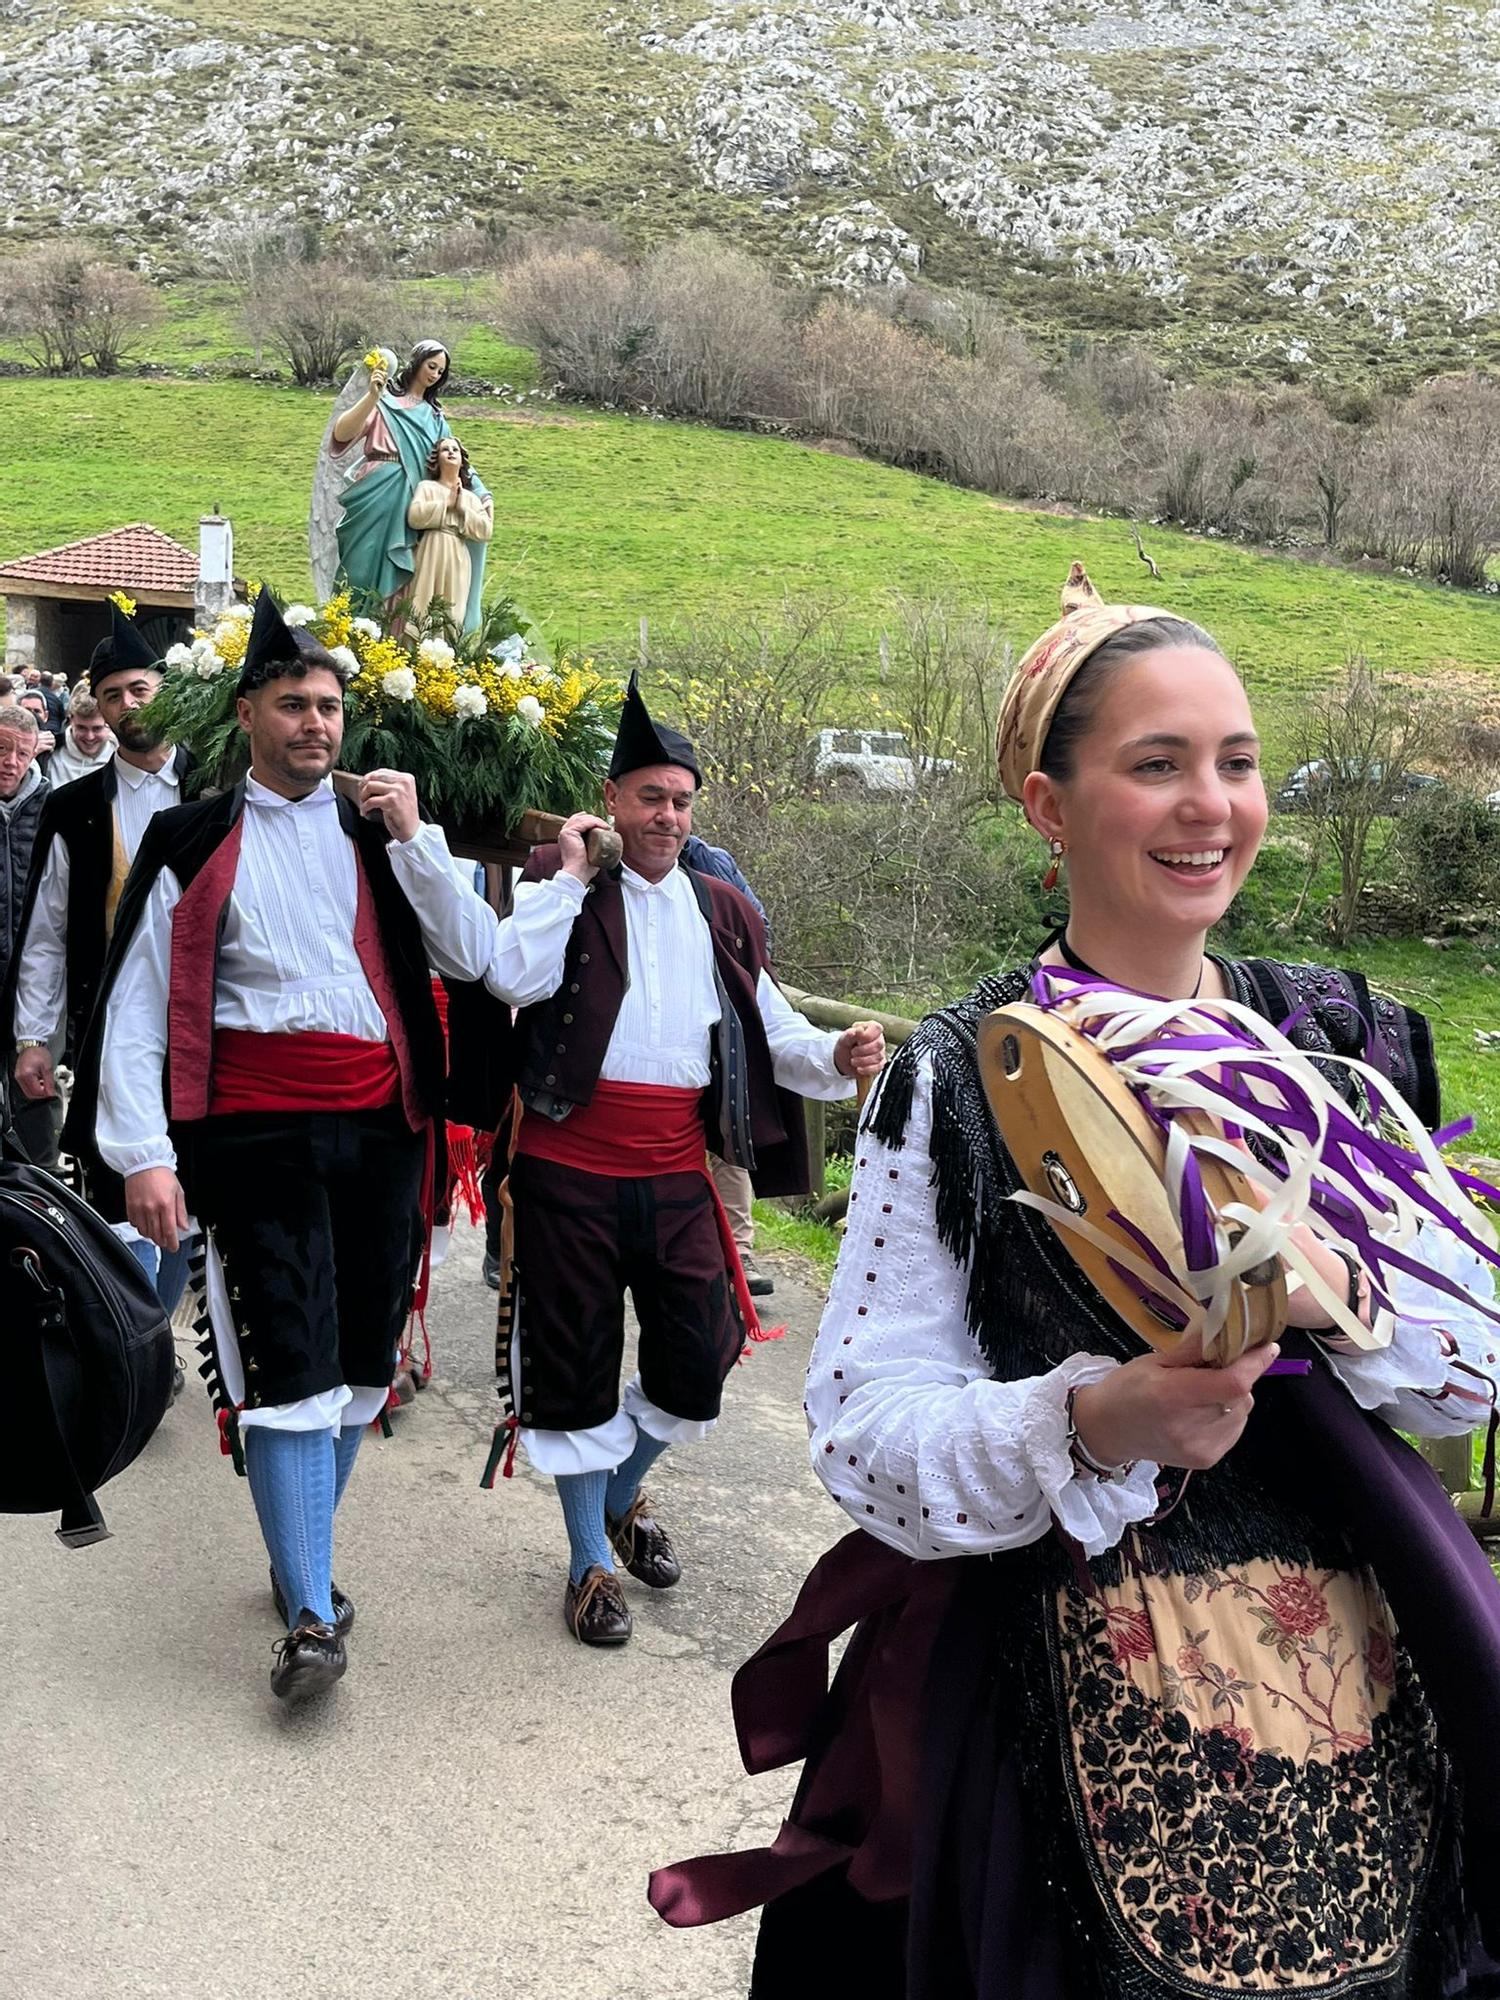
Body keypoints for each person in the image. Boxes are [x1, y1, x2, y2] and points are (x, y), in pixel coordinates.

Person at [652, 565, 1500, 1995]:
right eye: (1153, 765)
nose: (1209, 805)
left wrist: (1337, 1286)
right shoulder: (961, 1075)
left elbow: (1476, 1355)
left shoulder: (1338, 1053)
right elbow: (866, 1432)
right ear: (1050, 807)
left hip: (1359, 1666)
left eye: (1235, 764)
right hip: (1054, 1676)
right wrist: (1100, 1420)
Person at [67, 590, 499, 1702]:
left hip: (380, 1129)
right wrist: (144, 1153)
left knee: (357, 1374)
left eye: (331, 706)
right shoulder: (191, 838)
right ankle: (312, 1611)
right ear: (249, 711)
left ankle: (297, 1547)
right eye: (295, 703)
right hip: (252, 1133)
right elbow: (136, 1009)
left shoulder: (386, 835)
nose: (317, 723)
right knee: (287, 1368)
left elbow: (475, 953)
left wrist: (417, 842)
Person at [408, 672, 886, 1647]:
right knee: (574, 1372)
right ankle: (588, 1561)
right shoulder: (566, 892)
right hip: (567, 1170)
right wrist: (575, 875)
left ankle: (622, 1495)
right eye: (650, 797)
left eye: (680, 799)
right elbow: (502, 971)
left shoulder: (717, 908)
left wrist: (833, 1057)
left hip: (675, 1174)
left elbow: (771, 1023)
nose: (666, 815)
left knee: (696, 1362)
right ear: (614, 799)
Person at [6, 604, 194, 1311]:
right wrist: (32, 1036)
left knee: (196, 1182)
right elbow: (48, 931)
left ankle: (159, 1313)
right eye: (113, 694)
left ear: (164, 692)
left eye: (138, 689)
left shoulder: (218, 783)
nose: (126, 704)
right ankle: (137, 1333)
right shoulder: (76, 806)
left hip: (209, 1024)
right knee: (116, 1179)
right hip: (106, 1025)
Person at [312, 340, 491, 633]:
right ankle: (347, 633)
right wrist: (371, 395)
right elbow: (342, 434)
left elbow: (455, 459)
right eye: (431, 366)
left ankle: (387, 643)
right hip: (376, 489)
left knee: (404, 575)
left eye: (440, 371)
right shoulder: (383, 404)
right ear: (417, 362)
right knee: (359, 565)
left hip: (411, 496)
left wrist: (482, 493)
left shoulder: (435, 419)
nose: (434, 375)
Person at [0, 704, 52, 1164]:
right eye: (0, 749)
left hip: (33, 991)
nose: (9, 761)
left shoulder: (54, 809)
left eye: (21, 752)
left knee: (35, 1103)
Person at [405, 436, 494, 626]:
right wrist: (446, 503)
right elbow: (414, 516)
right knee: (423, 599)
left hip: (457, 553)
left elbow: (486, 530)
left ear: (462, 459)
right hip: (431, 547)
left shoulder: (470, 498)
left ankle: (446, 651)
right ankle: (416, 647)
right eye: (446, 449)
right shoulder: (427, 487)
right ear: (437, 459)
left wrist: (462, 508)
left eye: (456, 450)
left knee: (453, 607)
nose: (451, 452)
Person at [47, 691, 115, 788]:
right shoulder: (50, 755)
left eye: (97, 728)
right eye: (81, 728)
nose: (89, 737)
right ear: (71, 721)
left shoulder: (124, 756)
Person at [18, 689, 55, 776]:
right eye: (27, 710)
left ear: (46, 716)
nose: (32, 715)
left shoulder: (54, 743)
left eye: (37, 711)